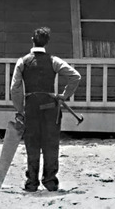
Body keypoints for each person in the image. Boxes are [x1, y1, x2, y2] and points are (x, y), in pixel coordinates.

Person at [9, 27, 81, 192]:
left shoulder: (23, 61)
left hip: (31, 108)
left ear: (32, 40)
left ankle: (31, 183)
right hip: (51, 108)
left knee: (32, 145)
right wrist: (64, 95)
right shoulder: (54, 60)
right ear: (47, 42)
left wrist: (20, 109)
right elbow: (75, 76)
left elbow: (15, 88)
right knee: (51, 145)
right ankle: (50, 182)